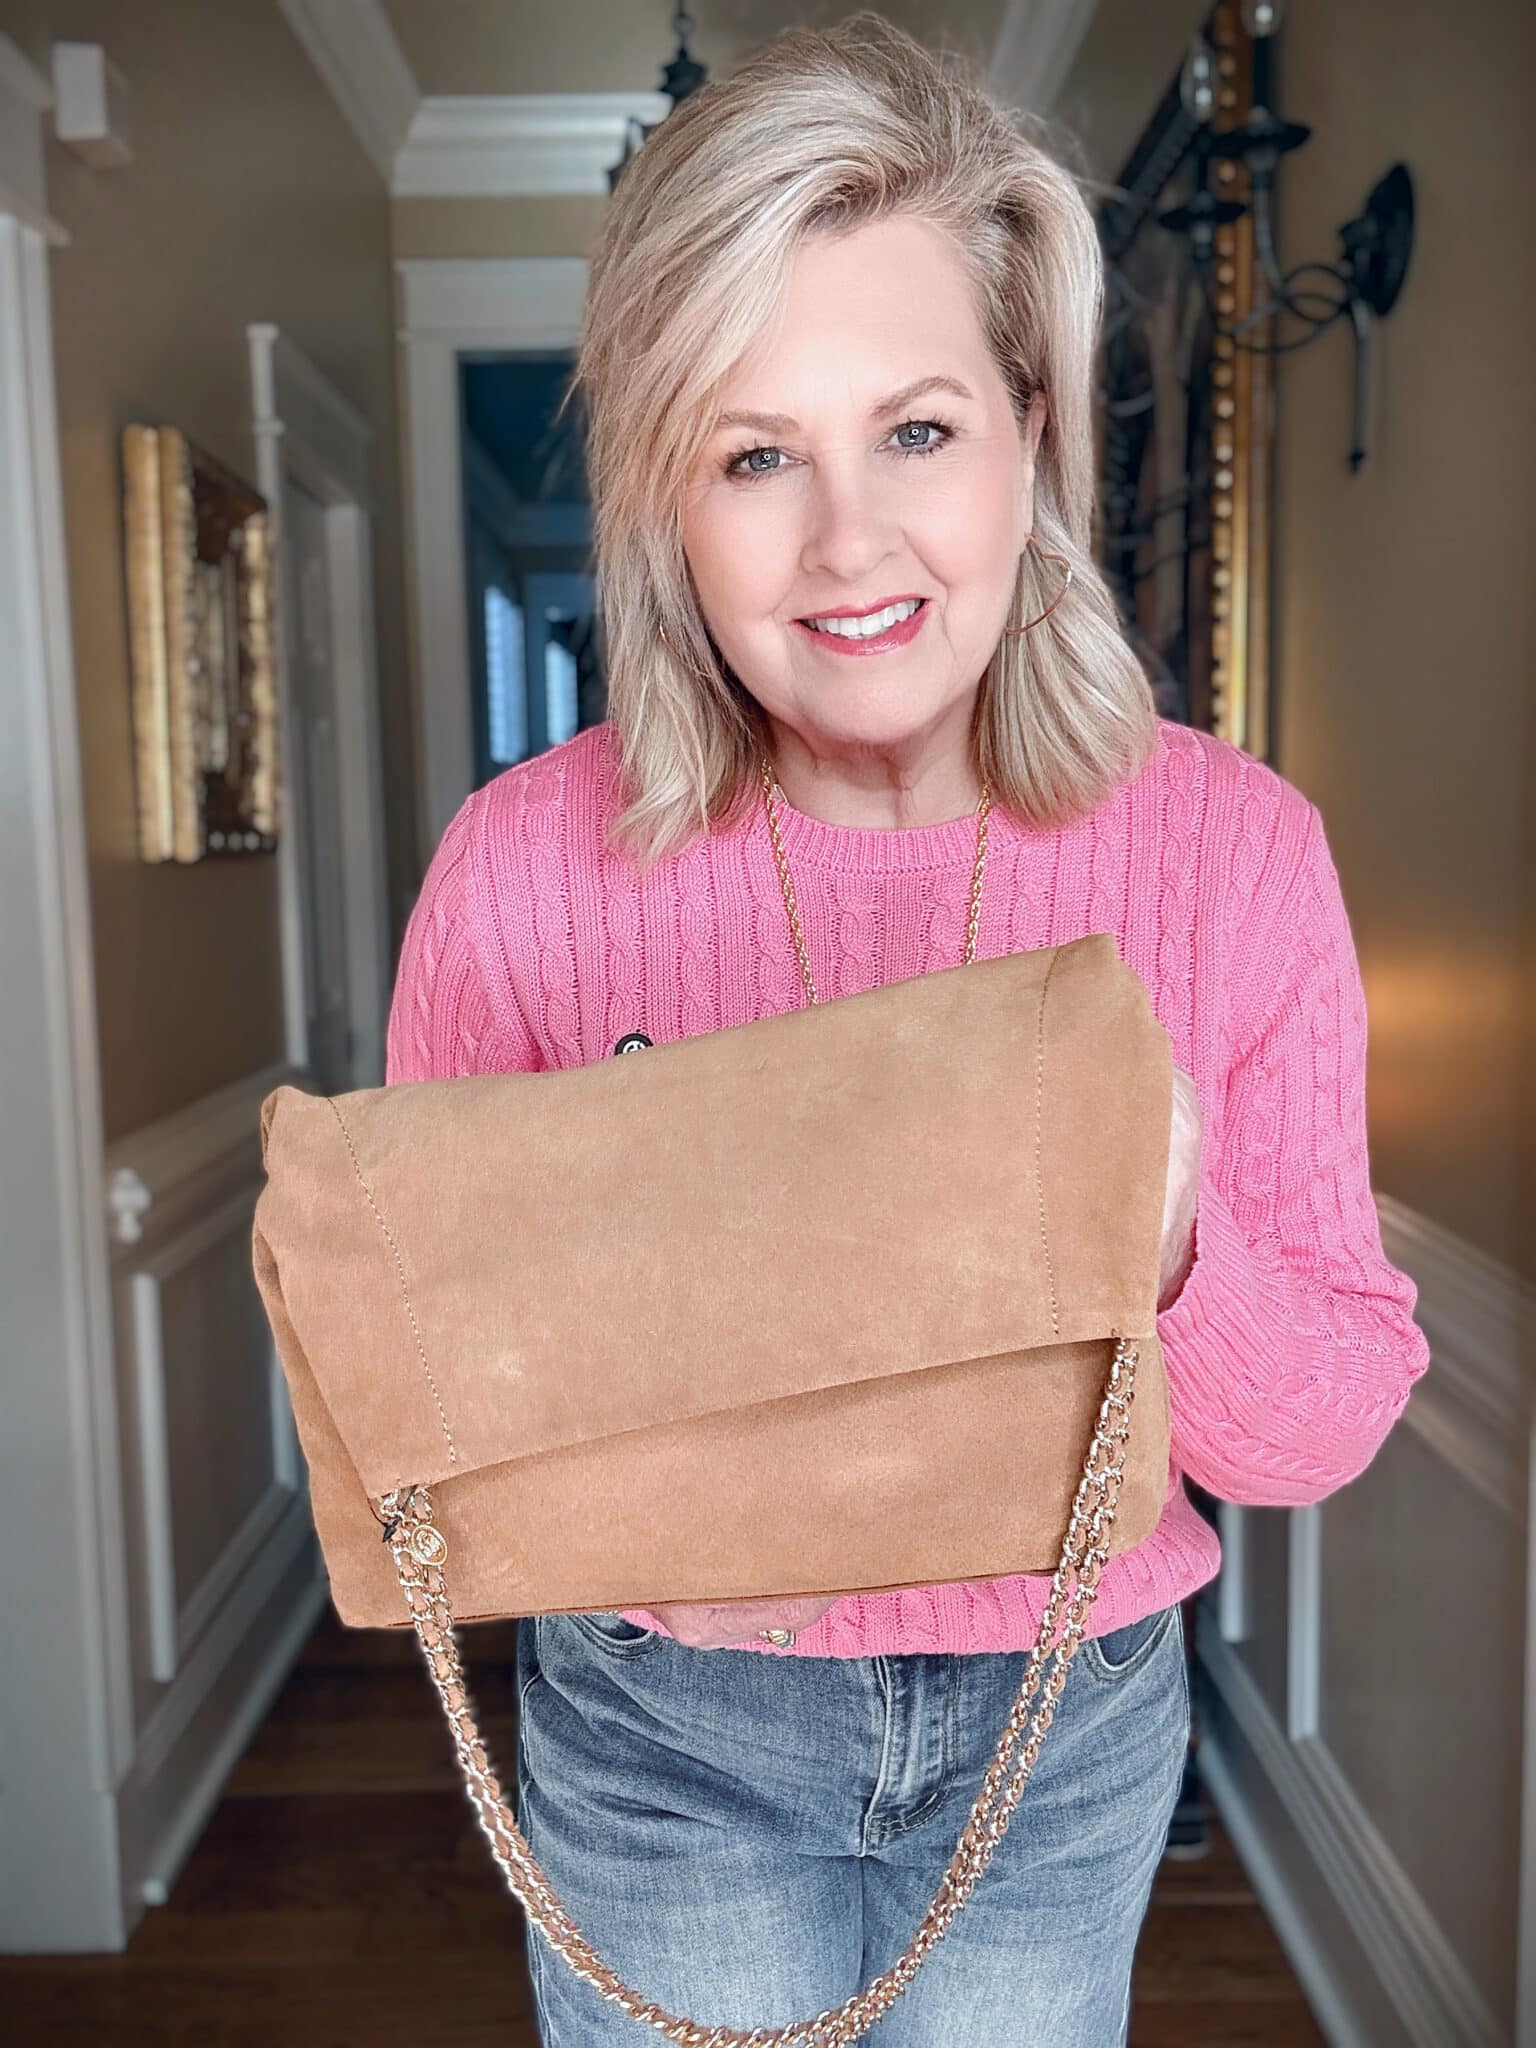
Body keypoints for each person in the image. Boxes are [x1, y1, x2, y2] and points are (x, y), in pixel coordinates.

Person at [384, 16, 1430, 2043]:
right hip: (660, 1719)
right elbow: (427, 1432)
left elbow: (1313, 1435)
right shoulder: (522, 869)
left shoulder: (1235, 855)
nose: (847, 540)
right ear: (666, 497)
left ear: (1033, 427)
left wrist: (1172, 1225)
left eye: (918, 429)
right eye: (755, 451)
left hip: (1068, 1720)